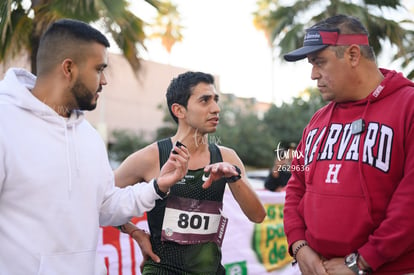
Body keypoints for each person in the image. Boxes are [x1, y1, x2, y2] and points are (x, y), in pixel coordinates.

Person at [0, 19, 189, 274]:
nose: (105, 81)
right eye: (99, 69)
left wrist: (158, 186)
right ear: (69, 68)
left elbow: (105, 207)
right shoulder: (5, 122)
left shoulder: (88, 135)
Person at [283, 14, 414, 275]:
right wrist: (299, 245)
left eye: (320, 62)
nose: (312, 74)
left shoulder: (408, 106)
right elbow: (295, 186)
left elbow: (410, 200)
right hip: (320, 268)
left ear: (353, 55)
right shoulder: (318, 120)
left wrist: (362, 262)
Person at [115, 71, 266, 274]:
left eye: (216, 100)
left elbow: (257, 216)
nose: (216, 108)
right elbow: (103, 198)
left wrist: (234, 177)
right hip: (162, 269)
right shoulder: (151, 157)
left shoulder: (227, 158)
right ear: (179, 110)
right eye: (205, 100)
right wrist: (136, 233)